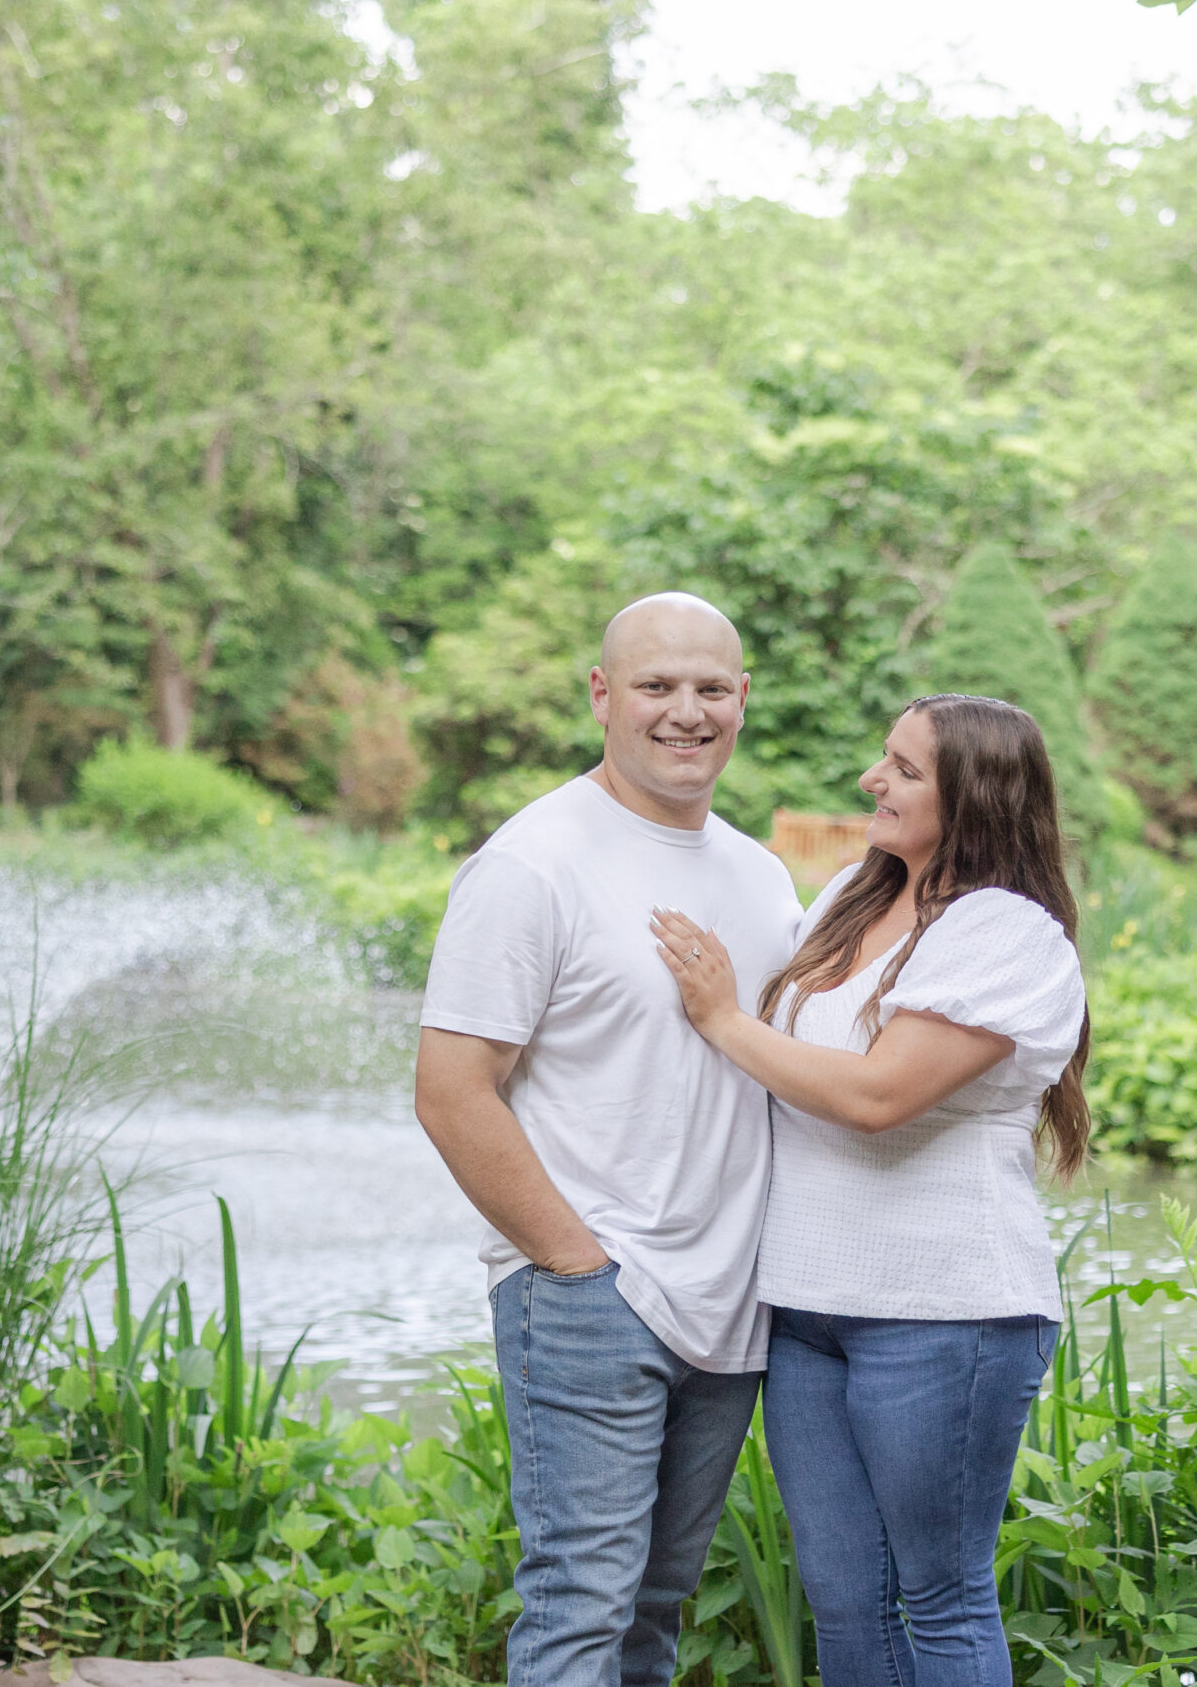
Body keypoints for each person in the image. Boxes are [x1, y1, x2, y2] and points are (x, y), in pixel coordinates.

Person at [649, 692, 1090, 1687]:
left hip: (944, 1314)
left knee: (938, 1598)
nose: (870, 780)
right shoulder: (854, 891)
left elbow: (878, 1094)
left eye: (902, 768)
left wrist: (724, 1020)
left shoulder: (1006, 934)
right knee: (845, 1605)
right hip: (808, 1306)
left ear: (973, 797)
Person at [411, 592, 801, 1687]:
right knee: (582, 1607)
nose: (687, 712)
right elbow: (451, 1090)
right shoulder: (534, 862)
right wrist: (578, 1264)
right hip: (594, 1295)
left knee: (653, 1612)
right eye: (656, 686)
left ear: (741, 700)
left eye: (710, 689)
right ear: (601, 695)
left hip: (730, 1303)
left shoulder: (759, 875)